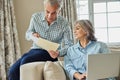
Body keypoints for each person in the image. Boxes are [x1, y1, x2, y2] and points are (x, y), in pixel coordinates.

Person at [8, 0, 73, 80]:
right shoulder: (35, 17)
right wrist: (32, 35)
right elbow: (27, 34)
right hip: (35, 50)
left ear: (59, 10)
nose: (49, 16)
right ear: (44, 7)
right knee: (12, 71)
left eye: (54, 13)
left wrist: (59, 53)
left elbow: (69, 45)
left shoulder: (64, 24)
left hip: (51, 54)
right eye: (47, 12)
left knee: (25, 60)